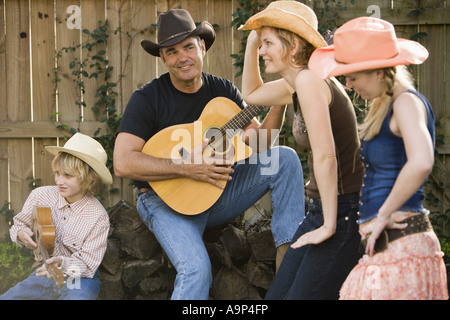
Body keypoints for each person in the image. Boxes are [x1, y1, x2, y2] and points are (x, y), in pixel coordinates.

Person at [113, 9, 305, 300]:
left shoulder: (223, 91)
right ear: (163, 59)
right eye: (172, 52)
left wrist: (278, 102)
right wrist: (186, 168)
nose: (182, 57)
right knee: (197, 269)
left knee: (284, 158)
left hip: (216, 193)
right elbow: (123, 162)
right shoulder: (147, 99)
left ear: (202, 47)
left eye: (189, 46)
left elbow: (261, 145)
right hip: (163, 201)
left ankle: (288, 265)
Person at [309, 16, 448, 300]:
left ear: (378, 72)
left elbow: (422, 161)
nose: (348, 84)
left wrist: (384, 214)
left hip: (402, 246)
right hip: (386, 249)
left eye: (353, 76)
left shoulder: (406, 102)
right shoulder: (383, 108)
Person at [239, 1, 364, 299]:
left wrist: (329, 225)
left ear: (293, 45)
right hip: (321, 210)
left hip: (344, 213)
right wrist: (252, 40)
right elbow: (251, 94)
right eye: (262, 43)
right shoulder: (296, 83)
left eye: (268, 43)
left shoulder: (309, 80)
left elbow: (326, 156)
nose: (262, 50)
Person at [0, 133, 112, 300]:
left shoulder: (98, 217)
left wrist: (62, 263)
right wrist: (21, 234)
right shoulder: (41, 195)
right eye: (57, 173)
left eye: (68, 175)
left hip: (78, 277)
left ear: (89, 178)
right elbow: (19, 224)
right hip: (43, 272)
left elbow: (88, 265)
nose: (59, 181)